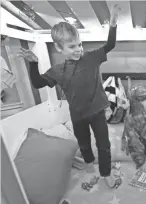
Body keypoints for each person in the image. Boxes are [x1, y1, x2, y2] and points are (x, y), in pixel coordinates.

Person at [18, 4, 121, 188]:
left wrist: (113, 23)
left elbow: (110, 45)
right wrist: (34, 63)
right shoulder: (58, 70)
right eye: (72, 46)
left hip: (97, 111)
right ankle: (90, 166)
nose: (78, 49)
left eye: (79, 44)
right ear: (59, 48)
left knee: (103, 144)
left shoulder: (91, 57)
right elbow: (38, 83)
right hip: (78, 115)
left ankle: (106, 173)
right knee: (84, 144)